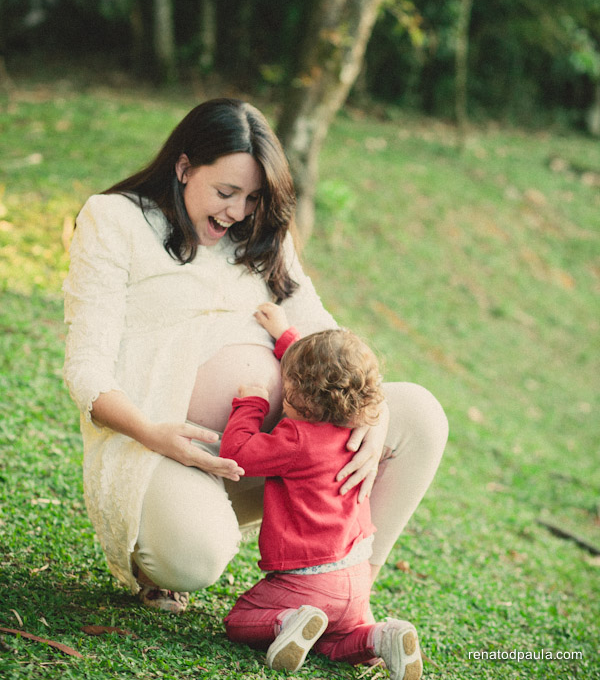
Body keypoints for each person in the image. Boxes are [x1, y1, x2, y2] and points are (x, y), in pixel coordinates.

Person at [63, 97, 448, 616]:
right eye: (226, 192)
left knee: (418, 415)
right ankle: (160, 547)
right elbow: (87, 370)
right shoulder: (113, 221)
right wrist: (155, 434)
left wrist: (372, 414)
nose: (238, 211)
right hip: (166, 449)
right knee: (195, 558)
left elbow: (320, 329)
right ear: (183, 167)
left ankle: (349, 592)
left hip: (281, 451)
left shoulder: (261, 233)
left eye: (253, 196)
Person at [221, 308, 423, 680]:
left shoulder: (297, 439)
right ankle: (381, 637)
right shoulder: (357, 428)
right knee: (335, 642)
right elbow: (326, 369)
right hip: (355, 573)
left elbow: (237, 455)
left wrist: (252, 403)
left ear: (302, 397)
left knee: (240, 620)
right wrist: (284, 335)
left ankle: (288, 621)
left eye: (289, 386)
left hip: (306, 581)